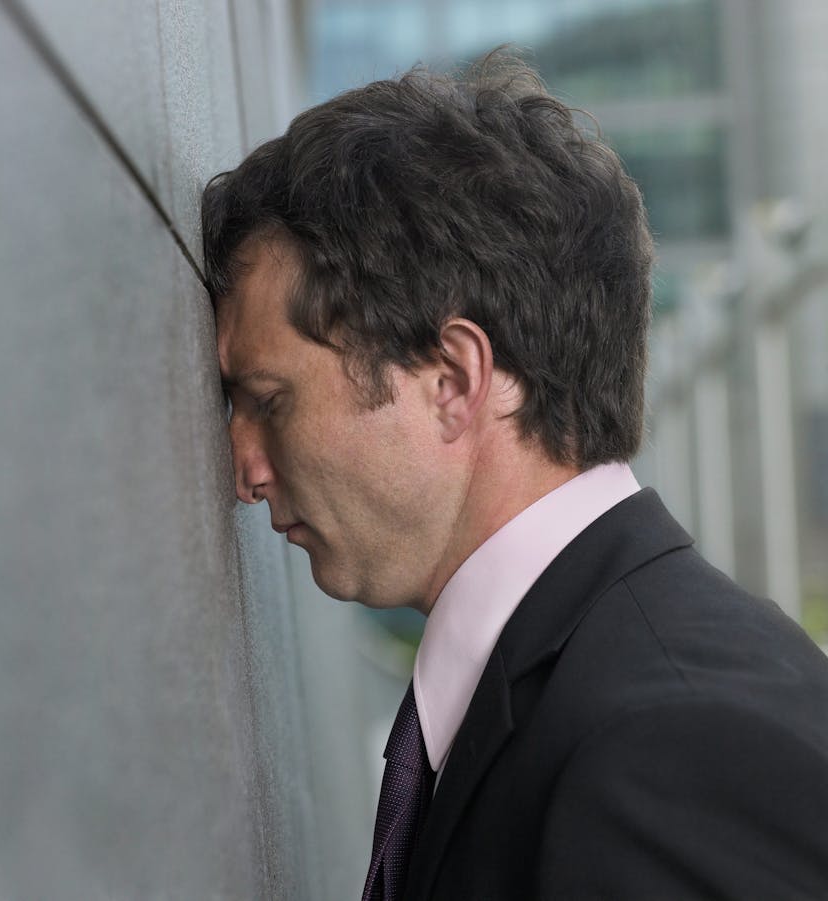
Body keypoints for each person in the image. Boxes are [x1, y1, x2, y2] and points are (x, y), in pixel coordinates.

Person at [202, 51, 828, 901]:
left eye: (270, 400)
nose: (244, 470)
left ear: (454, 381)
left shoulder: (669, 742)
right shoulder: (627, 684)